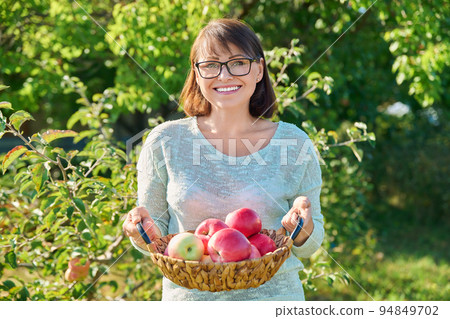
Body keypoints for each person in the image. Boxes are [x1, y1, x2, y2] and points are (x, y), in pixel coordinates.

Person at [122, 18, 324, 301]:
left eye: (238, 62)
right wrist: (138, 231)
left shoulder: (293, 143)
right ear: (196, 73)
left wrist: (302, 229)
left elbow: (310, 245)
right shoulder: (165, 141)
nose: (224, 75)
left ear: (259, 70)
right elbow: (153, 241)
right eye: (211, 65)